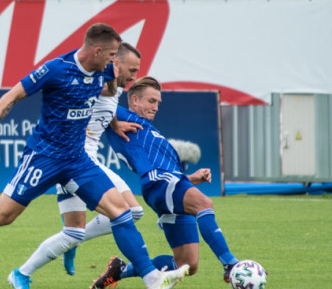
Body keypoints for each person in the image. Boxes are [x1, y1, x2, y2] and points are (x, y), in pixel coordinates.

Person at [0, 24, 189, 289]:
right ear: (97, 51)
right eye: (111, 55)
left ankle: (152, 279)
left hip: (77, 159)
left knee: (122, 213)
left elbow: (109, 94)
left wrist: (113, 116)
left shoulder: (105, 69)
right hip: (45, 156)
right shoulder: (56, 69)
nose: (114, 62)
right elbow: (13, 95)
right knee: (0, 216)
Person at [11, 42, 145, 286]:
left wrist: (115, 125)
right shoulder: (96, 82)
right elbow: (93, 94)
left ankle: (60, 250)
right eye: (132, 70)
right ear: (115, 63)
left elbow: (107, 103)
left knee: (90, 228)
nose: (134, 76)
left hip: (86, 162)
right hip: (72, 159)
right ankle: (22, 274)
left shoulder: (113, 87)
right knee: (78, 230)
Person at [90, 76, 240, 289]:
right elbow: (96, 99)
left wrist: (190, 178)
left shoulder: (149, 130)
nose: (156, 107)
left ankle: (120, 270)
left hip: (168, 183)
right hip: (158, 181)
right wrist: (114, 121)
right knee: (204, 204)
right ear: (134, 100)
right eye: (151, 101)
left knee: (188, 264)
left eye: (158, 102)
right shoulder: (124, 116)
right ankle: (230, 264)